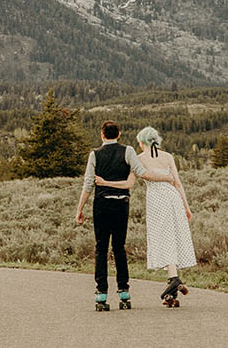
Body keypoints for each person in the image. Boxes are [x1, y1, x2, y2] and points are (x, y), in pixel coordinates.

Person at [74, 121, 176, 311]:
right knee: (119, 248)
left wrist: (80, 208)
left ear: (102, 135)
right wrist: (167, 178)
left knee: (101, 249)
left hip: (102, 205)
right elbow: (142, 173)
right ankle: (123, 292)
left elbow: (88, 184)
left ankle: (101, 293)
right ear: (119, 134)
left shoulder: (94, 154)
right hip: (121, 204)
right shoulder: (128, 151)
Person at [98, 126, 196, 306]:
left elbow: (129, 183)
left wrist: (105, 183)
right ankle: (172, 290)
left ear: (142, 143)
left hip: (157, 200)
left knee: (163, 238)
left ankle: (174, 279)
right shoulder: (168, 157)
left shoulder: (140, 158)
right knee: (171, 238)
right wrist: (186, 206)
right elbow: (178, 183)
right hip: (173, 197)